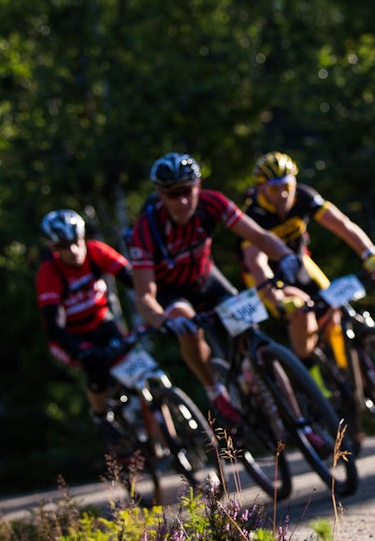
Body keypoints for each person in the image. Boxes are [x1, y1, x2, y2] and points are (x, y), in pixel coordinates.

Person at [124, 152, 306, 431]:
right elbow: (144, 297)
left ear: (197, 186)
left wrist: (285, 256)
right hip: (171, 291)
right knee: (187, 325)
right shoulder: (147, 230)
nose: (182, 201)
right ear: (160, 194)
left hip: (206, 278)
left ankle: (300, 423)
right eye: (173, 195)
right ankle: (214, 389)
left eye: (187, 191)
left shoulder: (211, 203)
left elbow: (258, 235)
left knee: (255, 336)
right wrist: (165, 321)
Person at [238, 151, 375, 374]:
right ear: (261, 188)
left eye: (286, 186)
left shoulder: (304, 197)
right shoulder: (253, 215)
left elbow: (341, 224)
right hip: (268, 277)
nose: (282, 194)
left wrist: (369, 252)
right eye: (274, 188)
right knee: (303, 312)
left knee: (334, 309)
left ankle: (351, 376)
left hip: (300, 263)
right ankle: (312, 382)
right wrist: (276, 298)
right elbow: (256, 262)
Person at [35, 208, 136, 451]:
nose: (73, 251)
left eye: (76, 242)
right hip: (70, 336)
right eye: (63, 246)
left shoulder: (96, 251)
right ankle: (101, 417)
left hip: (101, 322)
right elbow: (54, 326)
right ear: (53, 249)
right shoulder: (49, 273)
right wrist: (80, 350)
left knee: (134, 363)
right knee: (95, 367)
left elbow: (132, 279)